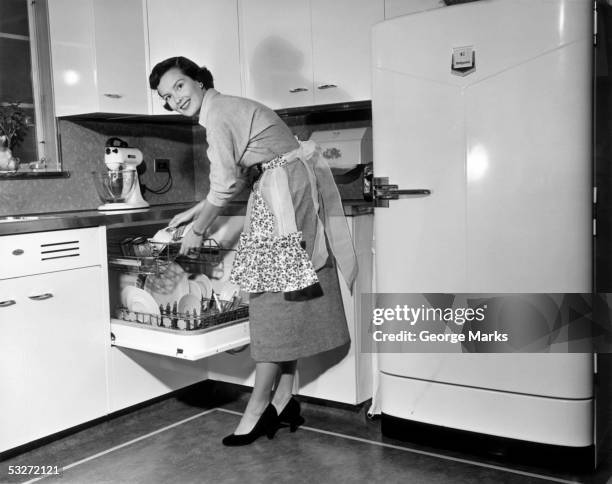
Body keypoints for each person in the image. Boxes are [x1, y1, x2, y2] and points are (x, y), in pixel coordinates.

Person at [148, 57, 358, 446]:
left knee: (269, 304)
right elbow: (237, 176)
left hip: (281, 195)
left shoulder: (220, 114)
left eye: (178, 86)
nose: (174, 99)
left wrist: (198, 229)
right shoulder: (226, 109)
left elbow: (226, 182)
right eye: (166, 96)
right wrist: (193, 211)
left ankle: (259, 407)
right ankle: (283, 397)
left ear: (198, 80)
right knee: (286, 299)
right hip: (282, 191)